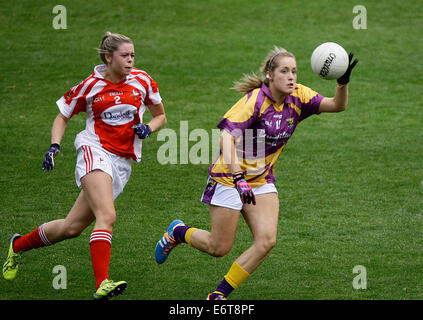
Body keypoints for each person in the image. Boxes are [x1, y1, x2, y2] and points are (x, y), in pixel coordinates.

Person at [154, 46, 358, 299]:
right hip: (228, 179)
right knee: (219, 247)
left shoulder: (300, 96)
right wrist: (239, 178)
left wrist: (343, 82)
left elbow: (337, 106)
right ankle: (178, 232)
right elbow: (226, 138)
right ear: (270, 75)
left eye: (294, 71)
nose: (291, 77)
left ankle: (219, 294)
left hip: (260, 180)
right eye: (284, 71)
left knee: (266, 240)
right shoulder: (254, 101)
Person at [2, 31, 167, 300]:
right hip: (94, 150)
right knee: (108, 215)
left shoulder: (143, 80)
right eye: (124, 55)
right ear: (108, 57)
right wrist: (55, 146)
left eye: (132, 55)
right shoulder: (90, 85)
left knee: (71, 227)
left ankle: (17, 245)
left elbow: (161, 116)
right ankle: (102, 283)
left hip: (122, 162)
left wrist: (148, 128)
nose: (130, 60)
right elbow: (62, 115)